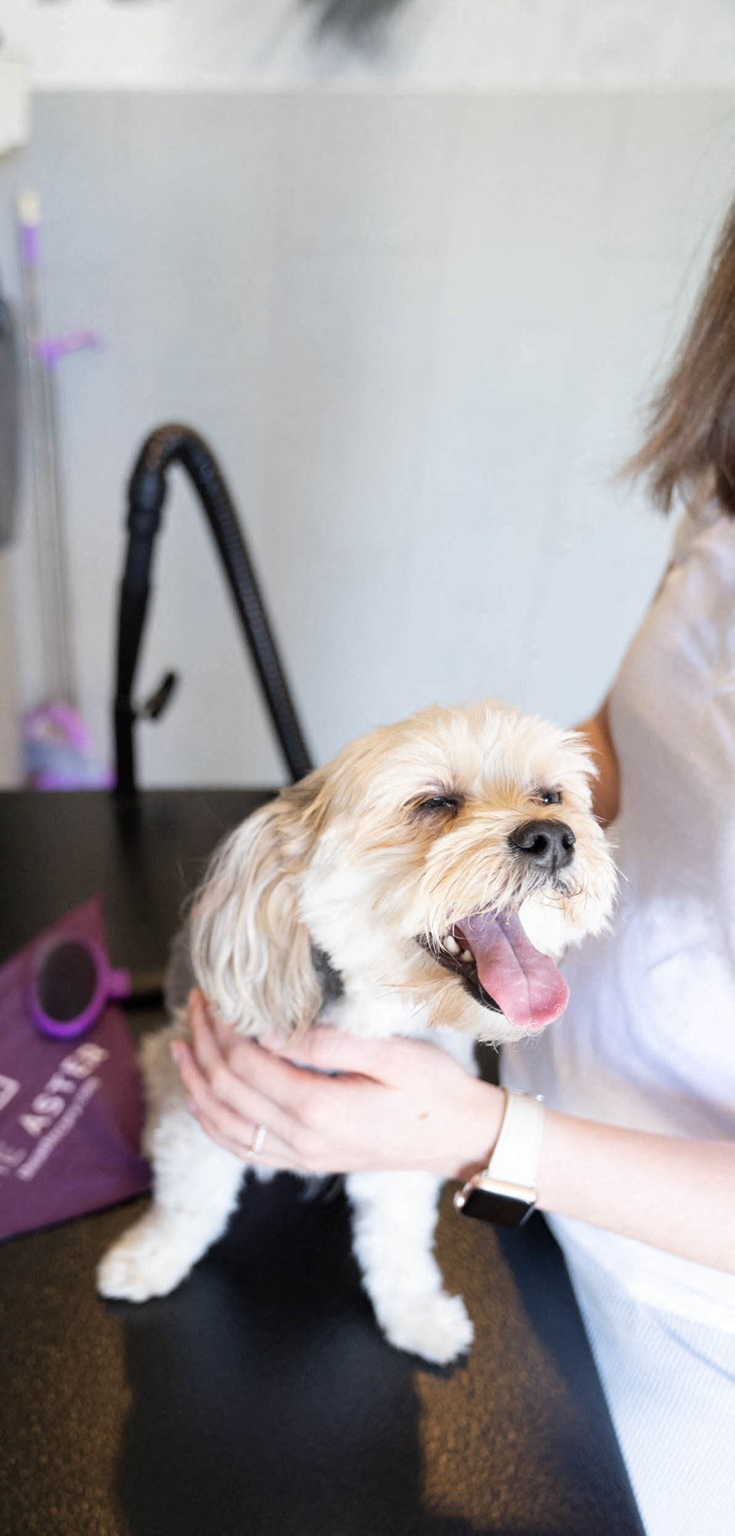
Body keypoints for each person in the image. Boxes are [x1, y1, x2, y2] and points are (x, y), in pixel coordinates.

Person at [171, 193, 735, 1536]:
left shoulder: (479, 1133)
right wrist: (489, 810)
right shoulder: (726, 490)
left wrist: (482, 1137)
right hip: (512, 1128)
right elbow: (625, 739)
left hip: (678, 1321)